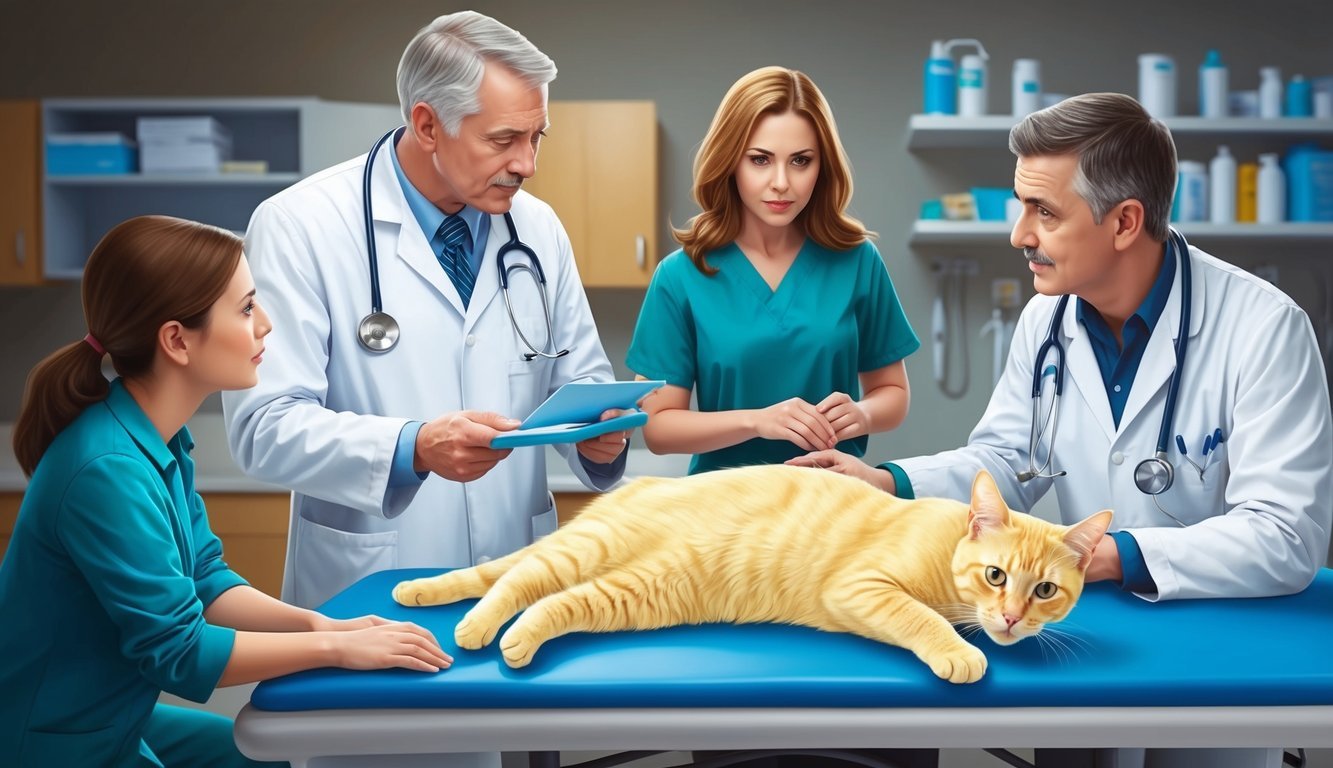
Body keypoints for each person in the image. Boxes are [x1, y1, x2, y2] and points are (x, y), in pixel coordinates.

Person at [791, 92, 1333, 768]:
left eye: (1042, 212)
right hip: (1086, 640)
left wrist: (1115, 556)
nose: (1018, 234)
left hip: (1214, 648)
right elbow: (1006, 462)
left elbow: (1286, 534)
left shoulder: (1261, 327)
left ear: (1124, 221)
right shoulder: (1044, 323)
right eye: (1022, 207)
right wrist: (886, 481)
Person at [0, 216, 451, 767]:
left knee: (262, 757)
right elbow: (181, 653)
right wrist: (337, 649)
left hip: (112, 713)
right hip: (52, 739)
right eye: (245, 308)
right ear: (176, 340)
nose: (265, 325)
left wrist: (321, 624)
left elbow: (207, 581)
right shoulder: (107, 468)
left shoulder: (157, 439)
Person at [222, 11, 629, 614]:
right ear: (428, 124)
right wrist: (412, 447)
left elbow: (581, 387)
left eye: (537, 136)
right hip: (367, 589)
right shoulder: (299, 225)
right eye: (504, 139)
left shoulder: (537, 229)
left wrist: (601, 440)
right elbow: (264, 426)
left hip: (513, 576)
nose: (527, 164)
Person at [627, 66, 918, 475]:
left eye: (801, 161)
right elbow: (658, 428)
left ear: (823, 166)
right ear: (730, 162)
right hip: (725, 514)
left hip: (835, 503)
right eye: (760, 160)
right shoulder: (680, 276)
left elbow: (893, 393)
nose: (781, 182)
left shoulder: (858, 262)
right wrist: (758, 420)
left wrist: (863, 414)